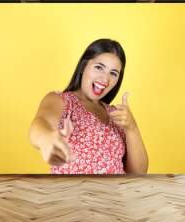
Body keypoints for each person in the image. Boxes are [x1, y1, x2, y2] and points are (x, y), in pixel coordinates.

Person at [29, 39, 148, 174]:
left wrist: (131, 128)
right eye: (99, 67)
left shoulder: (117, 115)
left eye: (113, 73)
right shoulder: (61, 101)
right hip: (72, 194)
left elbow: (138, 173)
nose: (105, 79)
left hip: (114, 195)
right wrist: (46, 139)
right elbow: (41, 123)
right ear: (82, 67)